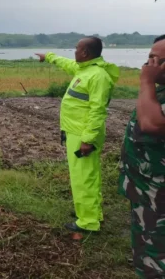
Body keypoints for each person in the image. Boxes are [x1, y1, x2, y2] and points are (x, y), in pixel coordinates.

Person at [36, 36, 119, 233]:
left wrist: (87, 140)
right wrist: (48, 57)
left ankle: (88, 222)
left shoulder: (97, 76)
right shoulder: (85, 70)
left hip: (83, 135)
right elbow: (67, 64)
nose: (74, 51)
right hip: (75, 132)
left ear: (85, 53)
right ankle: (92, 213)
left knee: (83, 178)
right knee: (88, 175)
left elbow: (97, 111)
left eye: (76, 48)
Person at [120, 35, 165, 278]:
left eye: (158, 60)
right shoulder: (160, 91)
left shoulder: (151, 86)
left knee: (157, 254)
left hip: (160, 197)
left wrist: (146, 83)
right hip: (147, 192)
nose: (149, 66)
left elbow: (151, 124)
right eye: (149, 58)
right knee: (146, 247)